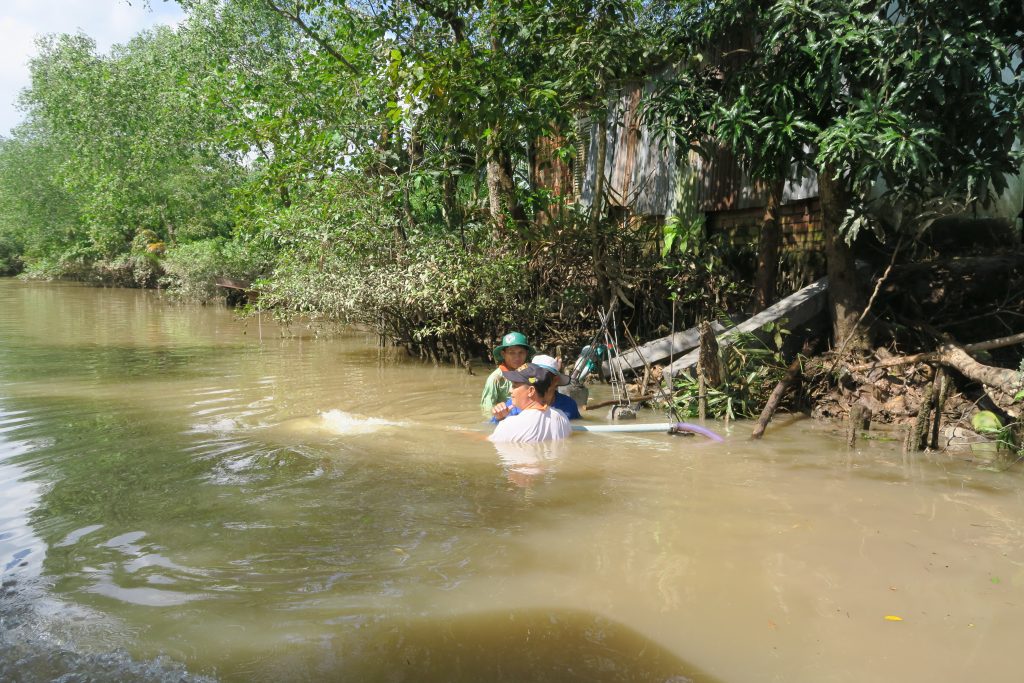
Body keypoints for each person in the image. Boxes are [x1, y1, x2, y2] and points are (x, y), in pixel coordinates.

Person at [489, 362, 572, 443]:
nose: (510, 390)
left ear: (531, 391)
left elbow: (486, 444)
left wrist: (501, 420)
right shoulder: (562, 418)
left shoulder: (509, 425)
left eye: (514, 386)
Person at [491, 354, 582, 422]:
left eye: (544, 376)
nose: (538, 381)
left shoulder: (569, 405)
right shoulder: (513, 405)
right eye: (534, 377)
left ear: (555, 380)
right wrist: (500, 417)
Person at [479, 331, 535, 417]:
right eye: (512, 352)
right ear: (503, 354)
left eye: (521, 352)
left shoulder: (530, 374)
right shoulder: (495, 379)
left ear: (526, 353)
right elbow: (487, 410)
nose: (517, 357)